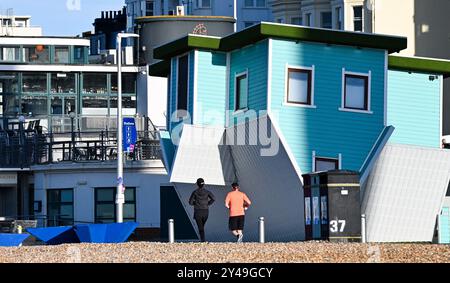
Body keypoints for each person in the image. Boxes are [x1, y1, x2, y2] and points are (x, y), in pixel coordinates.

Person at [189, 178, 216, 242]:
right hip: (205, 211)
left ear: (197, 184)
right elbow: (214, 198)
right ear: (204, 184)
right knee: (202, 226)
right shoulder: (207, 192)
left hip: (198, 211)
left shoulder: (195, 192)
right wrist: (208, 203)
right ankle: (202, 238)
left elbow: (190, 202)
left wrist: (195, 203)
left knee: (200, 227)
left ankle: (202, 240)